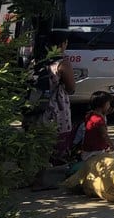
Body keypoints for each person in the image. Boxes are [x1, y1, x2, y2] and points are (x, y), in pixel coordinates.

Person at [36, 30, 76, 164]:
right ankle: (51, 175)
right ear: (62, 44)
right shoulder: (62, 63)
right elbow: (71, 88)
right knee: (57, 143)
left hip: (35, 107)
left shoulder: (37, 59)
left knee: (38, 144)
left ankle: (36, 176)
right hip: (56, 109)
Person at [78, 91, 114, 160]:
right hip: (95, 152)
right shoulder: (98, 120)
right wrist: (113, 147)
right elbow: (104, 135)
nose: (109, 106)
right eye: (108, 104)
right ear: (103, 105)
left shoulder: (90, 115)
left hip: (87, 150)